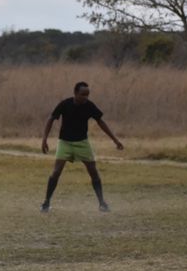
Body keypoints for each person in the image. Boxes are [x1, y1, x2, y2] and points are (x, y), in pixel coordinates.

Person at [40, 81, 124, 212]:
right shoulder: (65, 104)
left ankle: (102, 203)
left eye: (87, 95)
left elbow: (101, 122)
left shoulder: (89, 106)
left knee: (93, 172)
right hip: (65, 143)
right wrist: (44, 139)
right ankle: (46, 203)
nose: (85, 97)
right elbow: (51, 119)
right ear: (75, 93)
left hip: (82, 143)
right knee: (56, 172)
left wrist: (115, 140)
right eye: (82, 94)